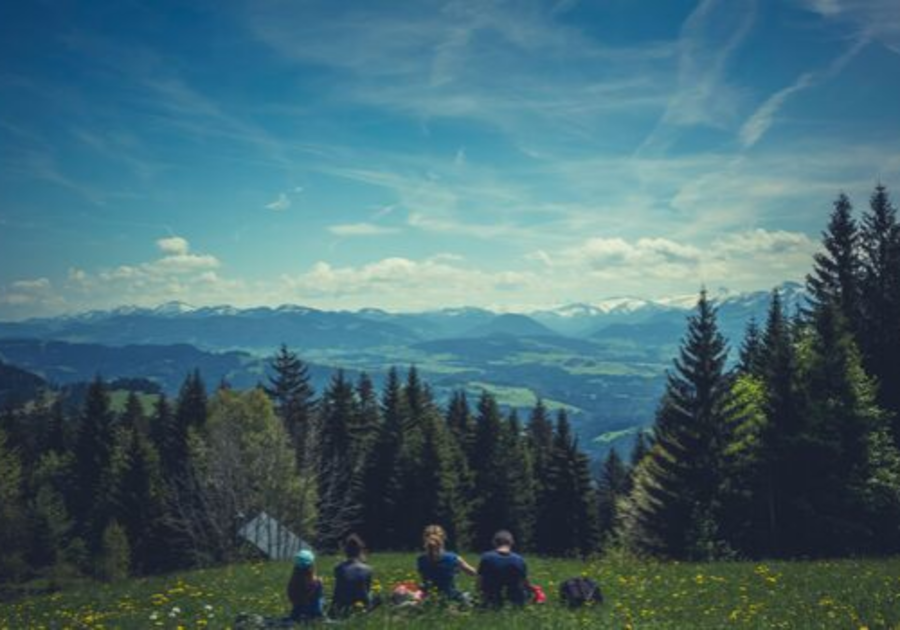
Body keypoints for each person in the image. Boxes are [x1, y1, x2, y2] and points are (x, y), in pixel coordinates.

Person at [416, 524, 476, 602]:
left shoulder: (421, 559)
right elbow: (473, 573)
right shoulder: (453, 558)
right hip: (450, 598)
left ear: (424, 539)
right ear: (444, 538)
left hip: (429, 598)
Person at [477, 530, 529, 607]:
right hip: (514, 601)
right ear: (511, 542)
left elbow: (480, 581)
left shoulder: (486, 557)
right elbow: (524, 582)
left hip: (492, 600)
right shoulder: (519, 559)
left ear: (494, 542)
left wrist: (479, 594)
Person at [331, 534, 375, 617]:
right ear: (360, 551)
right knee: (373, 594)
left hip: (341, 607)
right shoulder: (368, 569)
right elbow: (367, 590)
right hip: (361, 607)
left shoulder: (338, 568)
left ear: (346, 551)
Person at [287, 549, 324, 622]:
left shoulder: (292, 583)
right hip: (313, 617)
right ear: (312, 565)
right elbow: (318, 607)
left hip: (296, 615)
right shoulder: (317, 582)